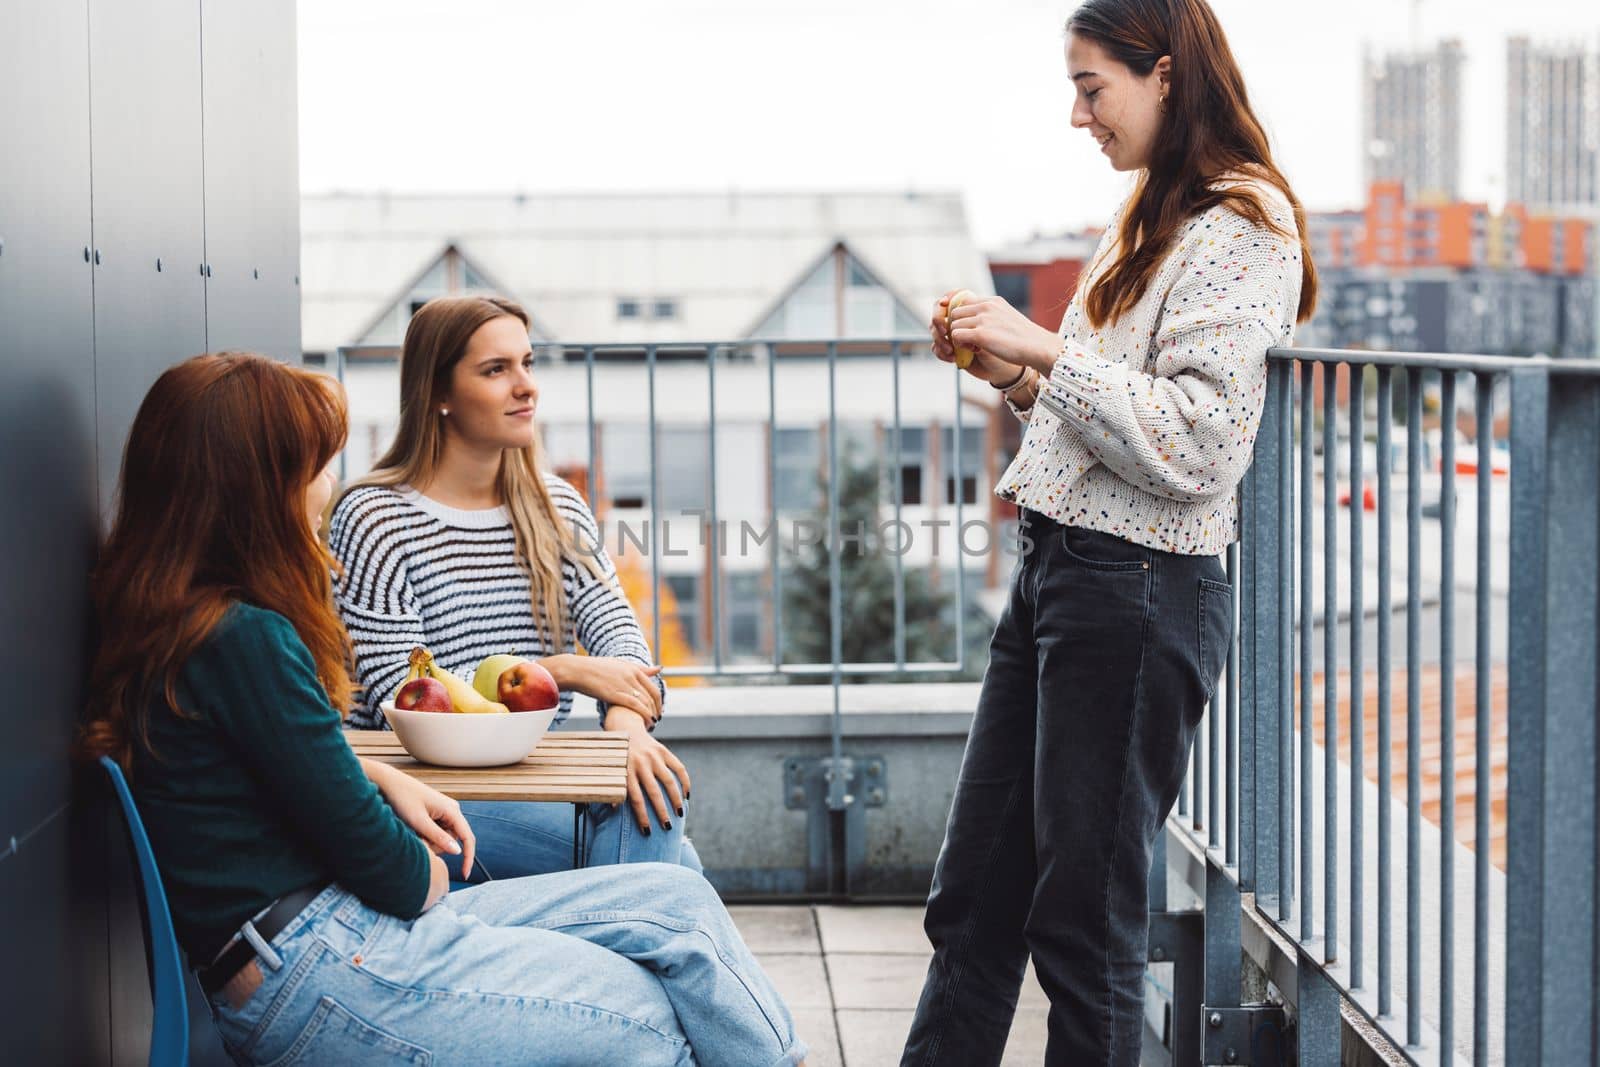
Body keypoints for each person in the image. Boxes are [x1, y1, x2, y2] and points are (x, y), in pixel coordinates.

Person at [79, 352, 807, 1066]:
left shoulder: (184, 625)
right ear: (255, 487)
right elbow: (401, 872)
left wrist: (376, 778)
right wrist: (410, 843)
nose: (325, 486)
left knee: (675, 898)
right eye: (312, 465)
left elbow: (273, 773)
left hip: (319, 943)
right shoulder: (245, 639)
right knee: (650, 1017)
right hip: (323, 965)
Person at [903, 1, 1318, 1064]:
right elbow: (1110, 418)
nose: (1077, 113)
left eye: (1092, 85)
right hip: (1063, 572)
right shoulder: (1152, 212)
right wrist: (1018, 374)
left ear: (1165, 73)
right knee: (975, 896)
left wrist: (1043, 348)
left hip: (1137, 590)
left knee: (1080, 926)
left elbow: (1202, 442)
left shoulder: (1243, 222)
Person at [329, 295, 701, 878]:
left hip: (528, 782)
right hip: (417, 797)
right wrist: (564, 669)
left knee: (654, 811)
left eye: (527, 363)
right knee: (665, 860)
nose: (526, 386)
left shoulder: (556, 508)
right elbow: (407, 696)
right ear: (438, 394)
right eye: (496, 370)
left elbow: (624, 647)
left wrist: (627, 732)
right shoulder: (375, 517)